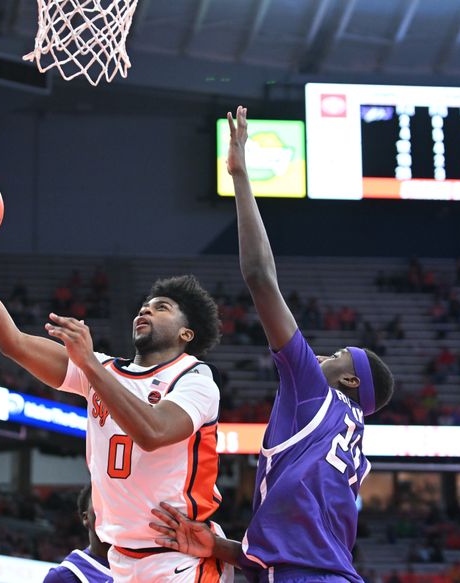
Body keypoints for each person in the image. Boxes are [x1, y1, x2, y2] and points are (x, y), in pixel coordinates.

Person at [0, 212, 232, 583]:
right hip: (124, 560)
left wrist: (90, 366)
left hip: (183, 555)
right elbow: (11, 341)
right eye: (145, 304)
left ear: (186, 334)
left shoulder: (195, 377)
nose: (146, 309)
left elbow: (153, 432)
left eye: (162, 307)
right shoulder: (100, 368)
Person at [150, 106, 395, 583]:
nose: (322, 354)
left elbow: (260, 277)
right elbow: (298, 550)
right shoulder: (353, 452)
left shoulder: (317, 394)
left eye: (337, 355)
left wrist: (241, 177)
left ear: (349, 379)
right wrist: (220, 546)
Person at [44, 484, 112, 583]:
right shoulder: (63, 577)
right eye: (101, 501)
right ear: (86, 517)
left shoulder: (140, 566)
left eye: (116, 503)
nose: (111, 510)